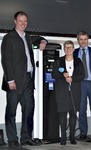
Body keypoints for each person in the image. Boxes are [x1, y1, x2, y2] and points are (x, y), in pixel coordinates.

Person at [1, 11, 47, 149]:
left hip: (28, 80)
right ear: (15, 21)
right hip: (14, 81)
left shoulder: (27, 36)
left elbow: (40, 38)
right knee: (11, 112)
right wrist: (10, 80)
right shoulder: (9, 38)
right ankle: (12, 140)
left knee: (28, 110)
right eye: (21, 21)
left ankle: (26, 138)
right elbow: (6, 60)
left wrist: (43, 41)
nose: (23, 23)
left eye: (25, 21)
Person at [52, 40, 85, 145]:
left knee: (73, 114)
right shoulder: (59, 61)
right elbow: (54, 74)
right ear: (64, 49)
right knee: (62, 114)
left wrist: (73, 79)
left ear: (73, 49)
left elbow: (82, 75)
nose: (68, 49)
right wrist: (63, 76)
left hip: (75, 92)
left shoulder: (78, 61)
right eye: (66, 47)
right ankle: (63, 138)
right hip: (62, 92)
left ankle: (72, 138)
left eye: (70, 47)